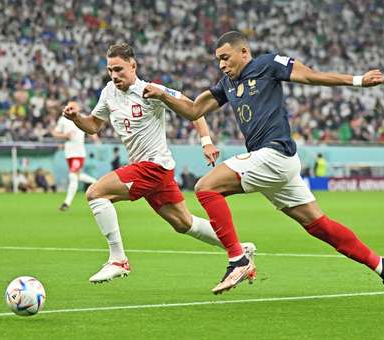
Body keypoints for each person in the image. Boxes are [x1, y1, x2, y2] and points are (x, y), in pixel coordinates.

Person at [143, 31, 384, 306]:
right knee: (320, 226)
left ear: (244, 52)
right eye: (218, 60)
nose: (221, 64)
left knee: (205, 187)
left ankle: (238, 259)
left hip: (274, 154)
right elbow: (195, 110)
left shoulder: (267, 64)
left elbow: (310, 75)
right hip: (273, 163)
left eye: (225, 58)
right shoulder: (227, 84)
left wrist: (357, 81)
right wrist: (163, 96)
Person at [62, 43, 255, 284]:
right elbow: (93, 125)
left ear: (133, 66)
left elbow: (194, 109)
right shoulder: (108, 92)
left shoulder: (151, 91)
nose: (114, 75)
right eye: (110, 70)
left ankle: (118, 259)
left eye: (119, 69)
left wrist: (206, 142)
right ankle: (239, 248)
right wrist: (76, 118)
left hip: (153, 167)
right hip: (151, 170)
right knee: (184, 223)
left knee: (96, 193)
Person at [51, 114, 98, 211]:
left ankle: (66, 203)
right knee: (77, 175)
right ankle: (96, 182)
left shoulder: (81, 117)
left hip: (79, 153)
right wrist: (64, 135)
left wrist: (94, 136)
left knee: (73, 176)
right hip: (69, 153)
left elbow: (91, 127)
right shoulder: (63, 119)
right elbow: (55, 133)